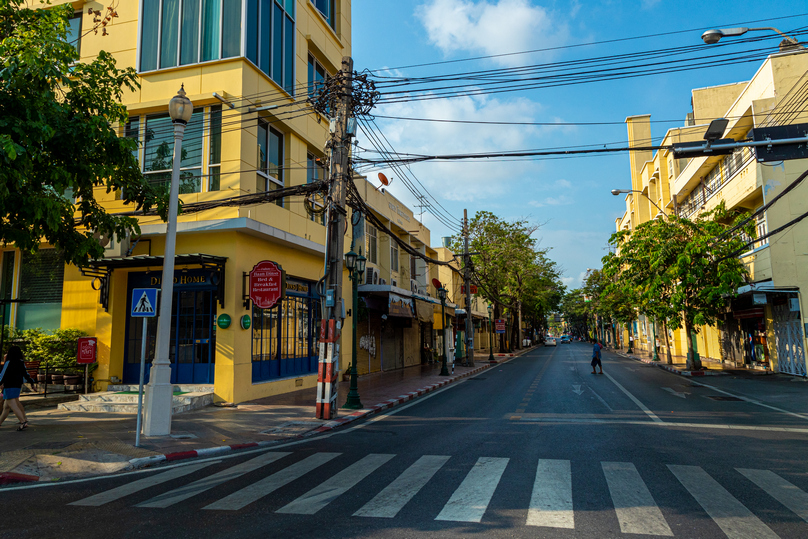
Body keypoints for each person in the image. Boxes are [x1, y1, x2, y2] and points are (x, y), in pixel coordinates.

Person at [0, 345, 36, 430]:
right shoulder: (20, 362)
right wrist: (32, 383)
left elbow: (3, 375)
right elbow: (25, 374)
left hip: (9, 386)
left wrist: (0, 383)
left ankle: (23, 422)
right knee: (6, 407)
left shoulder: (8, 362)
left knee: (13, 405)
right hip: (17, 386)